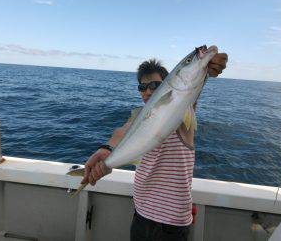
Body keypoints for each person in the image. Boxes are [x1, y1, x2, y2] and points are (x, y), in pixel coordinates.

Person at [81, 46, 227, 240]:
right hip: (140, 213)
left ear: (168, 83)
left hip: (172, 223)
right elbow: (120, 133)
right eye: (142, 87)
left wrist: (205, 70)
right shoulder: (138, 118)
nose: (148, 91)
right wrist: (106, 152)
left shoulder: (183, 110)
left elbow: (189, 94)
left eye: (155, 85)